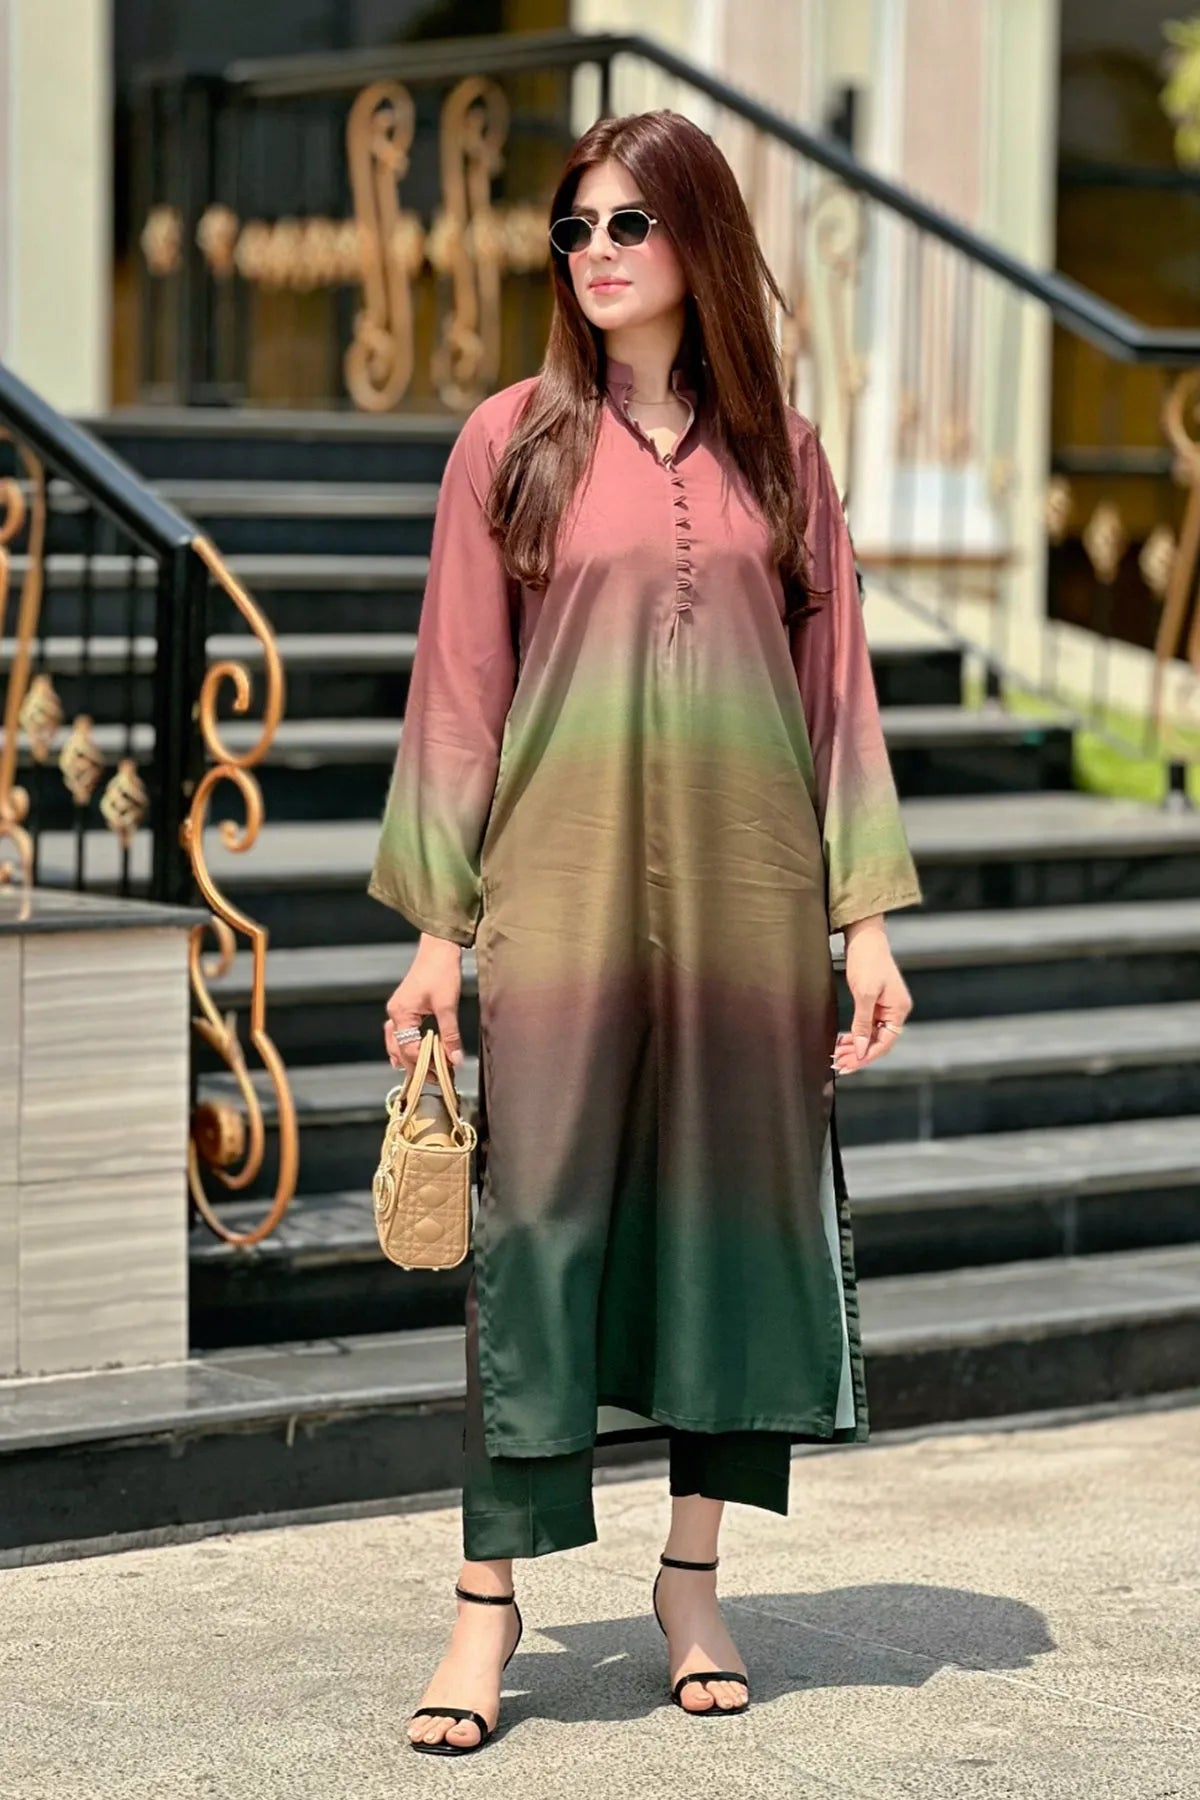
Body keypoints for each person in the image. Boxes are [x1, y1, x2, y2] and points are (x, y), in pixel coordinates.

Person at [368, 107, 922, 1757]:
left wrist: (868, 920)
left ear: (697, 240)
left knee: (723, 1240)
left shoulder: (783, 458)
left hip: (750, 915)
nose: (596, 254)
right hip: (564, 906)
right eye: (575, 230)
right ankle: (489, 1605)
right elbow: (458, 700)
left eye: (628, 224)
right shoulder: (512, 444)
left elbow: (838, 698)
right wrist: (437, 941)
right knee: (535, 1243)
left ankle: (694, 1578)